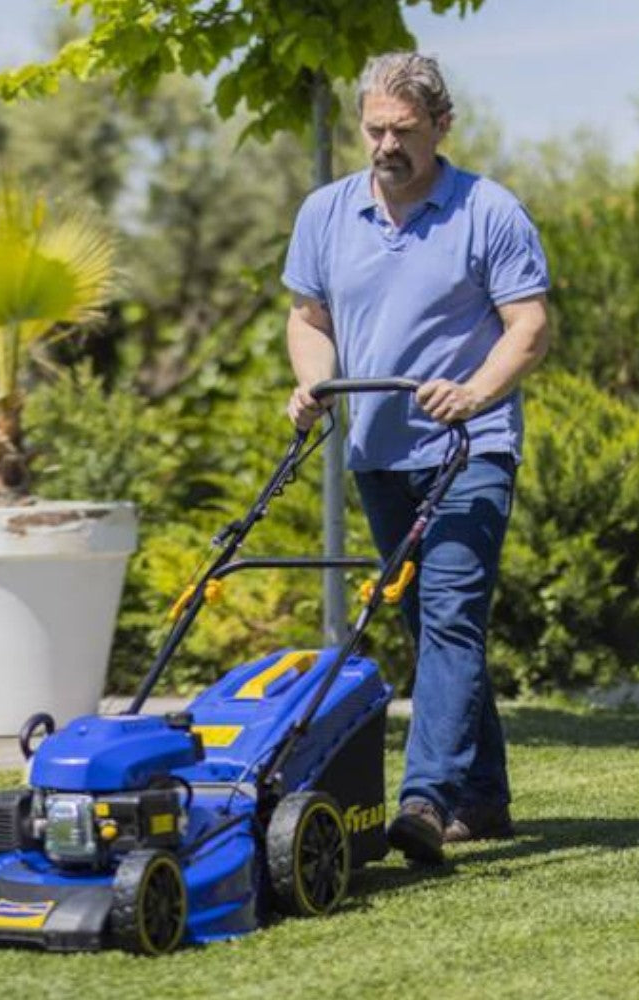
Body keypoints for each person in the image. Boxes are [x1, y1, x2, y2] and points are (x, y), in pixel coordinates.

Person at [282, 52, 549, 864]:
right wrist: (315, 384)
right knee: (427, 624)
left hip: (473, 446)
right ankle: (488, 798)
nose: (386, 145)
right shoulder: (325, 213)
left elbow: (528, 328)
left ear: (442, 125)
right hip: (379, 450)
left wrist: (474, 395)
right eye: (375, 129)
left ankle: (426, 801)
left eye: (404, 130)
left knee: (451, 616)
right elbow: (309, 317)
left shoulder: (489, 211)